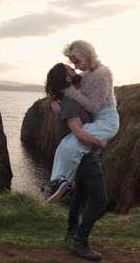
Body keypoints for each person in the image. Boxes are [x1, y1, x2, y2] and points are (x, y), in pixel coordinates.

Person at [45, 63, 107, 261]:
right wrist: (99, 144)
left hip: (80, 155)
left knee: (80, 194)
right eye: (70, 69)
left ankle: (72, 230)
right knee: (99, 200)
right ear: (67, 79)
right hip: (85, 155)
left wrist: (51, 100)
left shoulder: (69, 97)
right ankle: (80, 242)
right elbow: (79, 134)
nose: (75, 70)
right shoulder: (70, 102)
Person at [47, 40, 119, 204]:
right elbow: (63, 83)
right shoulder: (86, 74)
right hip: (97, 121)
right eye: (73, 64)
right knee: (65, 144)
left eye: (77, 62)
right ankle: (58, 180)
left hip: (107, 121)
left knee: (75, 145)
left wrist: (69, 92)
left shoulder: (102, 74)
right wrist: (54, 99)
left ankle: (69, 183)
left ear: (86, 55)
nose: (76, 67)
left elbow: (93, 106)